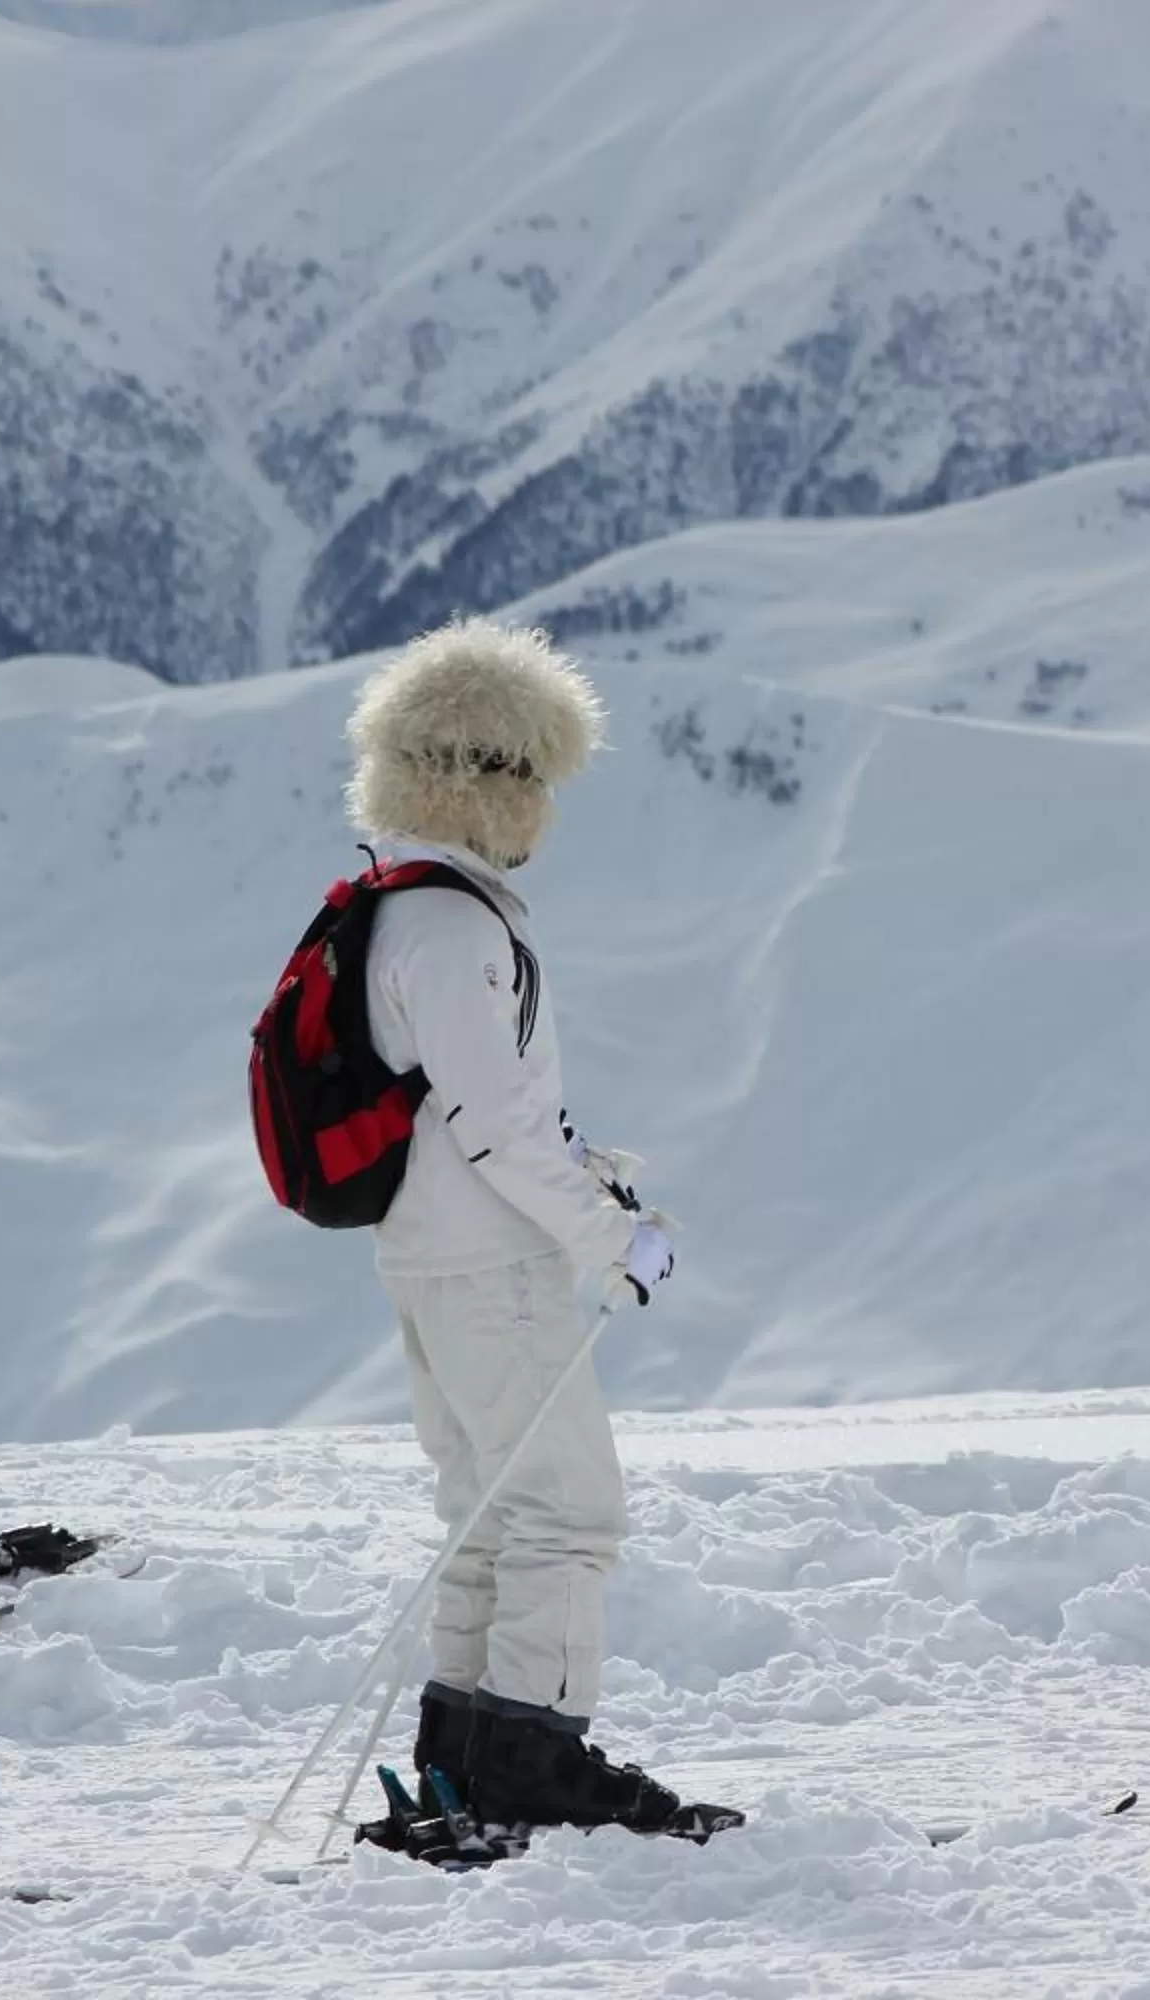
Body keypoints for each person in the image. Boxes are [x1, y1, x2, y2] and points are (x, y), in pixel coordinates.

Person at [341, 618, 691, 1832]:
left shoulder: (401, 906)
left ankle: (466, 1755)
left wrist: (586, 1182)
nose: (544, 802)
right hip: (498, 1263)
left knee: (488, 1512)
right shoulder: (450, 928)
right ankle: (533, 1760)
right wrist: (612, 1236)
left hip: (437, 1252)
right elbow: (494, 1126)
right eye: (532, 773)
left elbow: (467, 1115)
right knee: (565, 1511)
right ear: (477, 772)